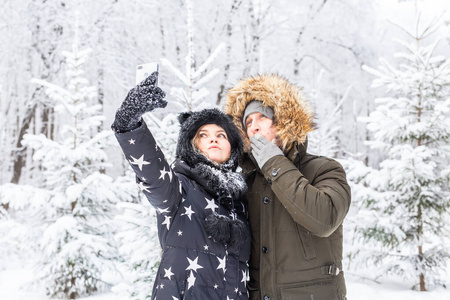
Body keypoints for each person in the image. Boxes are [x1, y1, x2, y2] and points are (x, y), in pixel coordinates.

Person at [111, 72, 251, 300]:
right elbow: (153, 175)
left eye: (221, 135)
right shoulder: (180, 188)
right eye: (203, 135)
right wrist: (129, 124)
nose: (213, 139)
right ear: (192, 146)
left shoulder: (242, 202)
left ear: (232, 149)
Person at [224, 74, 351, 300]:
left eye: (261, 117)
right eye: (248, 122)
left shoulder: (325, 169)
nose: (253, 127)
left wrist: (274, 163)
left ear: (282, 121)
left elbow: (325, 219)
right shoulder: (245, 181)